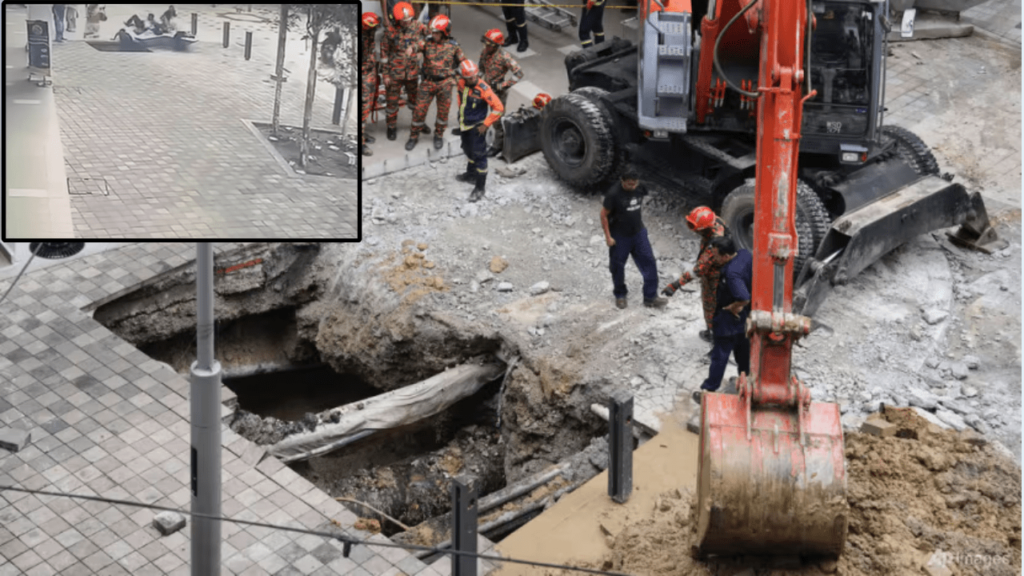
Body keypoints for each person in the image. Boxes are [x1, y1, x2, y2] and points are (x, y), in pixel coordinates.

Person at [692, 235, 752, 405]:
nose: (714, 259)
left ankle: (709, 389)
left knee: (720, 356)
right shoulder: (744, 254)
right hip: (746, 318)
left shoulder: (732, 273)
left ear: (725, 256)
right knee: (743, 352)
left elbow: (743, 296)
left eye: (716, 256)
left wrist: (734, 307)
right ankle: (745, 382)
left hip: (729, 320)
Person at [601, 167, 668, 310]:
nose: (632, 186)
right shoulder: (613, 194)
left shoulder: (640, 188)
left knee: (649, 262)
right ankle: (620, 294)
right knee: (617, 266)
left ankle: (650, 297)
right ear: (622, 181)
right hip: (619, 236)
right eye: (629, 184)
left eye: (635, 183)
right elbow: (603, 215)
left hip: (638, 232)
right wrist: (608, 236)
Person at [661, 206, 728, 342]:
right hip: (724, 271)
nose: (693, 230)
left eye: (695, 227)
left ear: (704, 229)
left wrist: (675, 285)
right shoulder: (718, 222)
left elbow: (698, 270)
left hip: (715, 277)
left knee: (711, 307)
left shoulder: (712, 248)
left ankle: (715, 338)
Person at [407, 14, 466, 151]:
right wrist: (412, 49)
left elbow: (463, 64)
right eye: (432, 32)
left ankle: (438, 135)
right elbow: (417, 46)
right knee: (419, 111)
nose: (433, 35)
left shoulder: (454, 47)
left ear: (445, 33)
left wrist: (456, 78)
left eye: (436, 33)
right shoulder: (427, 42)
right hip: (427, 83)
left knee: (442, 113)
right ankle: (413, 136)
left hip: (444, 84)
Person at [450, 60, 504, 203]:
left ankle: (480, 188)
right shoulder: (461, 82)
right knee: (468, 150)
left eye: (474, 76)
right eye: (469, 78)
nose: (472, 79)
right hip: (464, 125)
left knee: (479, 156)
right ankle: (471, 174)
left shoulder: (484, 89)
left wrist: (486, 124)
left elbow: (499, 108)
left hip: (477, 128)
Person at [382, 2, 428, 142]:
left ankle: (419, 124)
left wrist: (418, 48)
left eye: (409, 20)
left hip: (412, 72)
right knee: (392, 102)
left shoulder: (418, 26)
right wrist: (385, 75)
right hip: (395, 72)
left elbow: (432, 38)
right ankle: (391, 127)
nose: (407, 23)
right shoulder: (390, 31)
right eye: (404, 21)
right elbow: (384, 53)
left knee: (415, 101)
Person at [478, 29, 523, 157]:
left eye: (489, 44)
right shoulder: (485, 52)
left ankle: (497, 145)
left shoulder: (504, 57)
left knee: (497, 120)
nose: (486, 46)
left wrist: (503, 85)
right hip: (484, 89)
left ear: (496, 45)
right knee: (479, 113)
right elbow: (481, 68)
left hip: (498, 92)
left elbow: (519, 73)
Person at [361, 12, 382, 156]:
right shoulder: (360, 40)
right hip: (363, 75)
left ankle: (362, 134)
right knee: (362, 109)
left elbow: (379, 24)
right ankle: (359, 143)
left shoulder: (369, 32)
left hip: (371, 73)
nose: (374, 29)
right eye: (372, 27)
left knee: (367, 107)